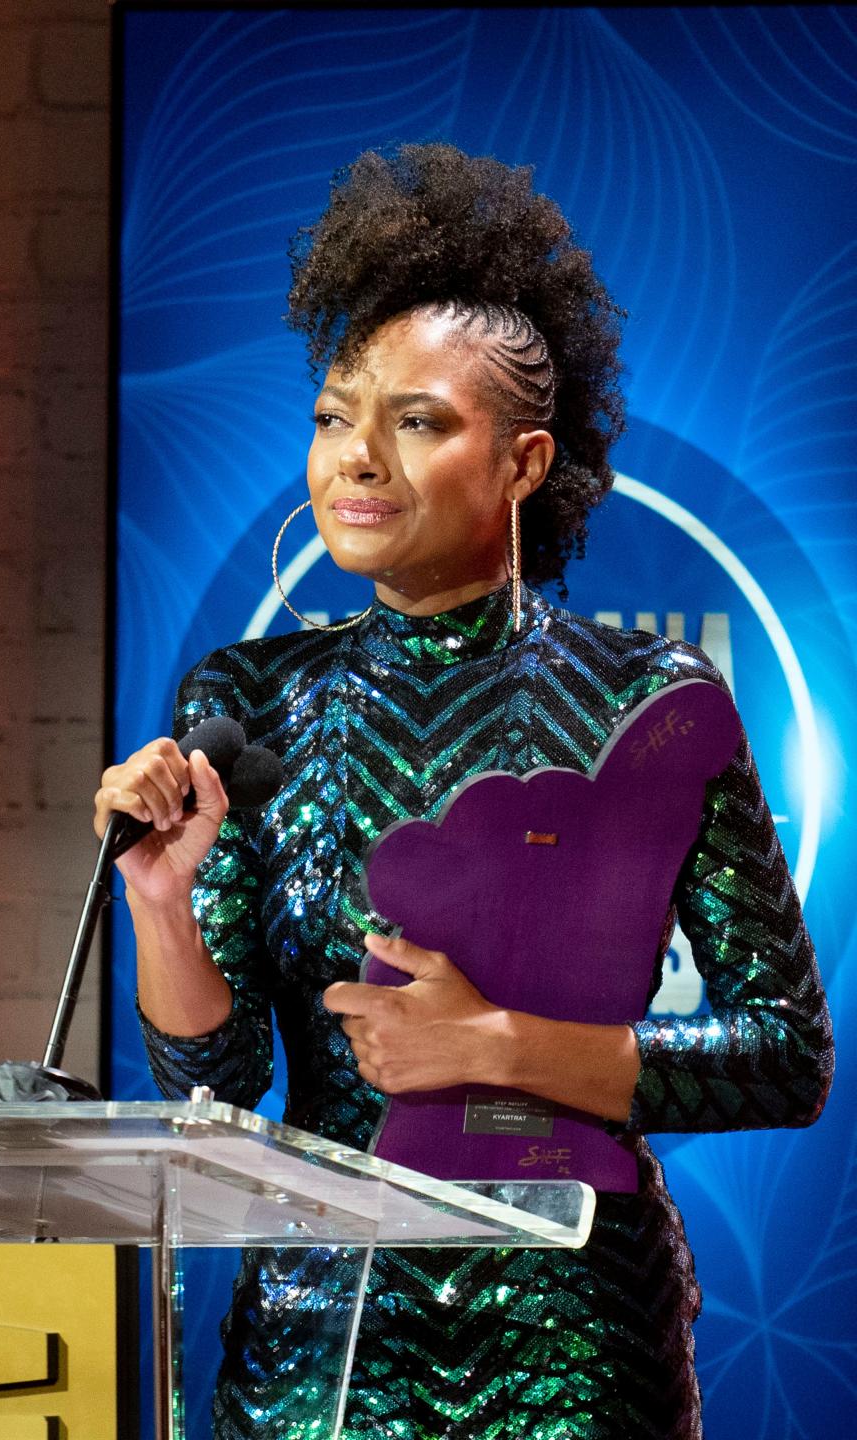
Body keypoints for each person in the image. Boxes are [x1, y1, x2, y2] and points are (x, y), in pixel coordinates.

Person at [95, 144, 833, 1439]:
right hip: (322, 1345)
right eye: (335, 418)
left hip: (574, 1342)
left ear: (525, 460)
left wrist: (496, 1049)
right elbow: (210, 1080)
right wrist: (163, 903)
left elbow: (783, 1058)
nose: (357, 458)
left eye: (417, 420)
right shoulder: (249, 700)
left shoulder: (648, 703)